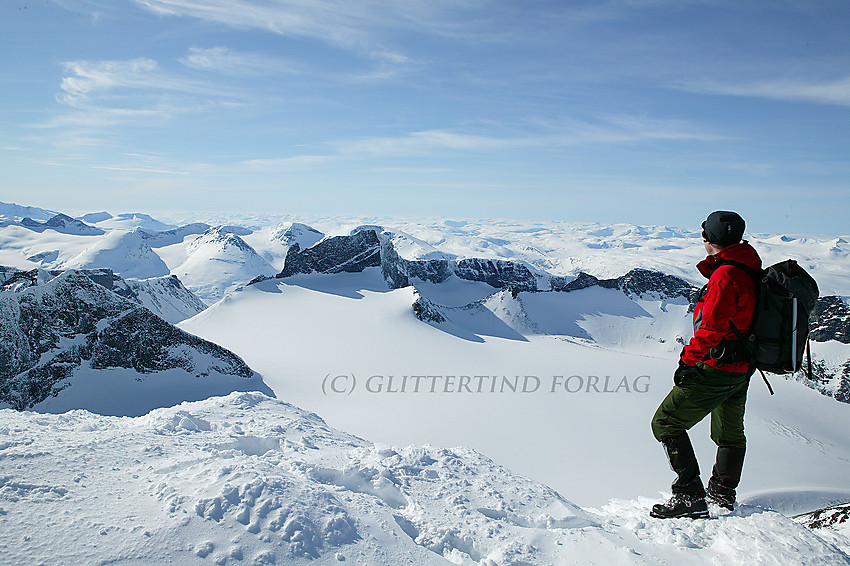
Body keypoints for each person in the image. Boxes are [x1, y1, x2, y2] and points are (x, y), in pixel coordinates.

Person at [650, 211, 762, 519]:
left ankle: (689, 495)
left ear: (709, 238)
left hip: (719, 367)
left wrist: (688, 361)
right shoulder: (747, 264)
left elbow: (711, 327)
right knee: (728, 431)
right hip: (741, 368)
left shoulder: (726, 275)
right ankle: (722, 493)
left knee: (666, 422)